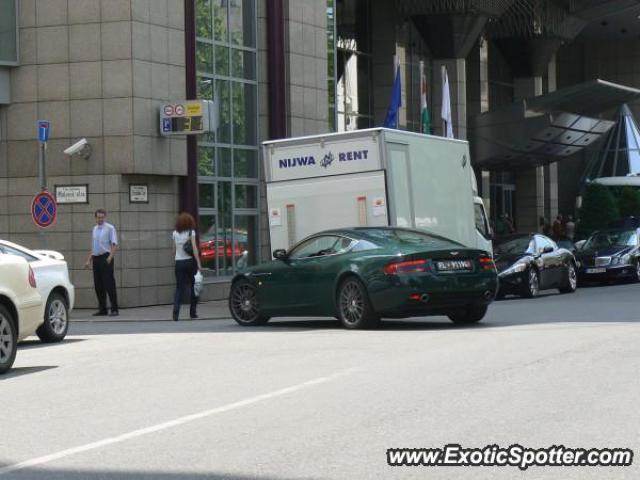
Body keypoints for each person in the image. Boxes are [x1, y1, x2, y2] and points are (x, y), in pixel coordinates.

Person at [85, 208, 119, 316]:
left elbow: (114, 244)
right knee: (98, 285)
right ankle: (103, 309)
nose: (100, 219)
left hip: (106, 258)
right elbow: (94, 247)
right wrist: (88, 260)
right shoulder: (94, 229)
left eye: (102, 217)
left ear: (105, 217)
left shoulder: (110, 228)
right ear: (95, 218)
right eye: (98, 217)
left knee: (109, 284)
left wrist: (110, 257)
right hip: (96, 258)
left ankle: (114, 309)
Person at [172, 212, 202, 321]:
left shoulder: (175, 233)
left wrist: (176, 258)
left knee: (179, 288)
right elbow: (194, 248)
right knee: (194, 287)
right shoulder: (191, 232)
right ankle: (192, 313)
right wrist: (198, 262)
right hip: (190, 263)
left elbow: (174, 250)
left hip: (179, 263)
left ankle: (176, 312)